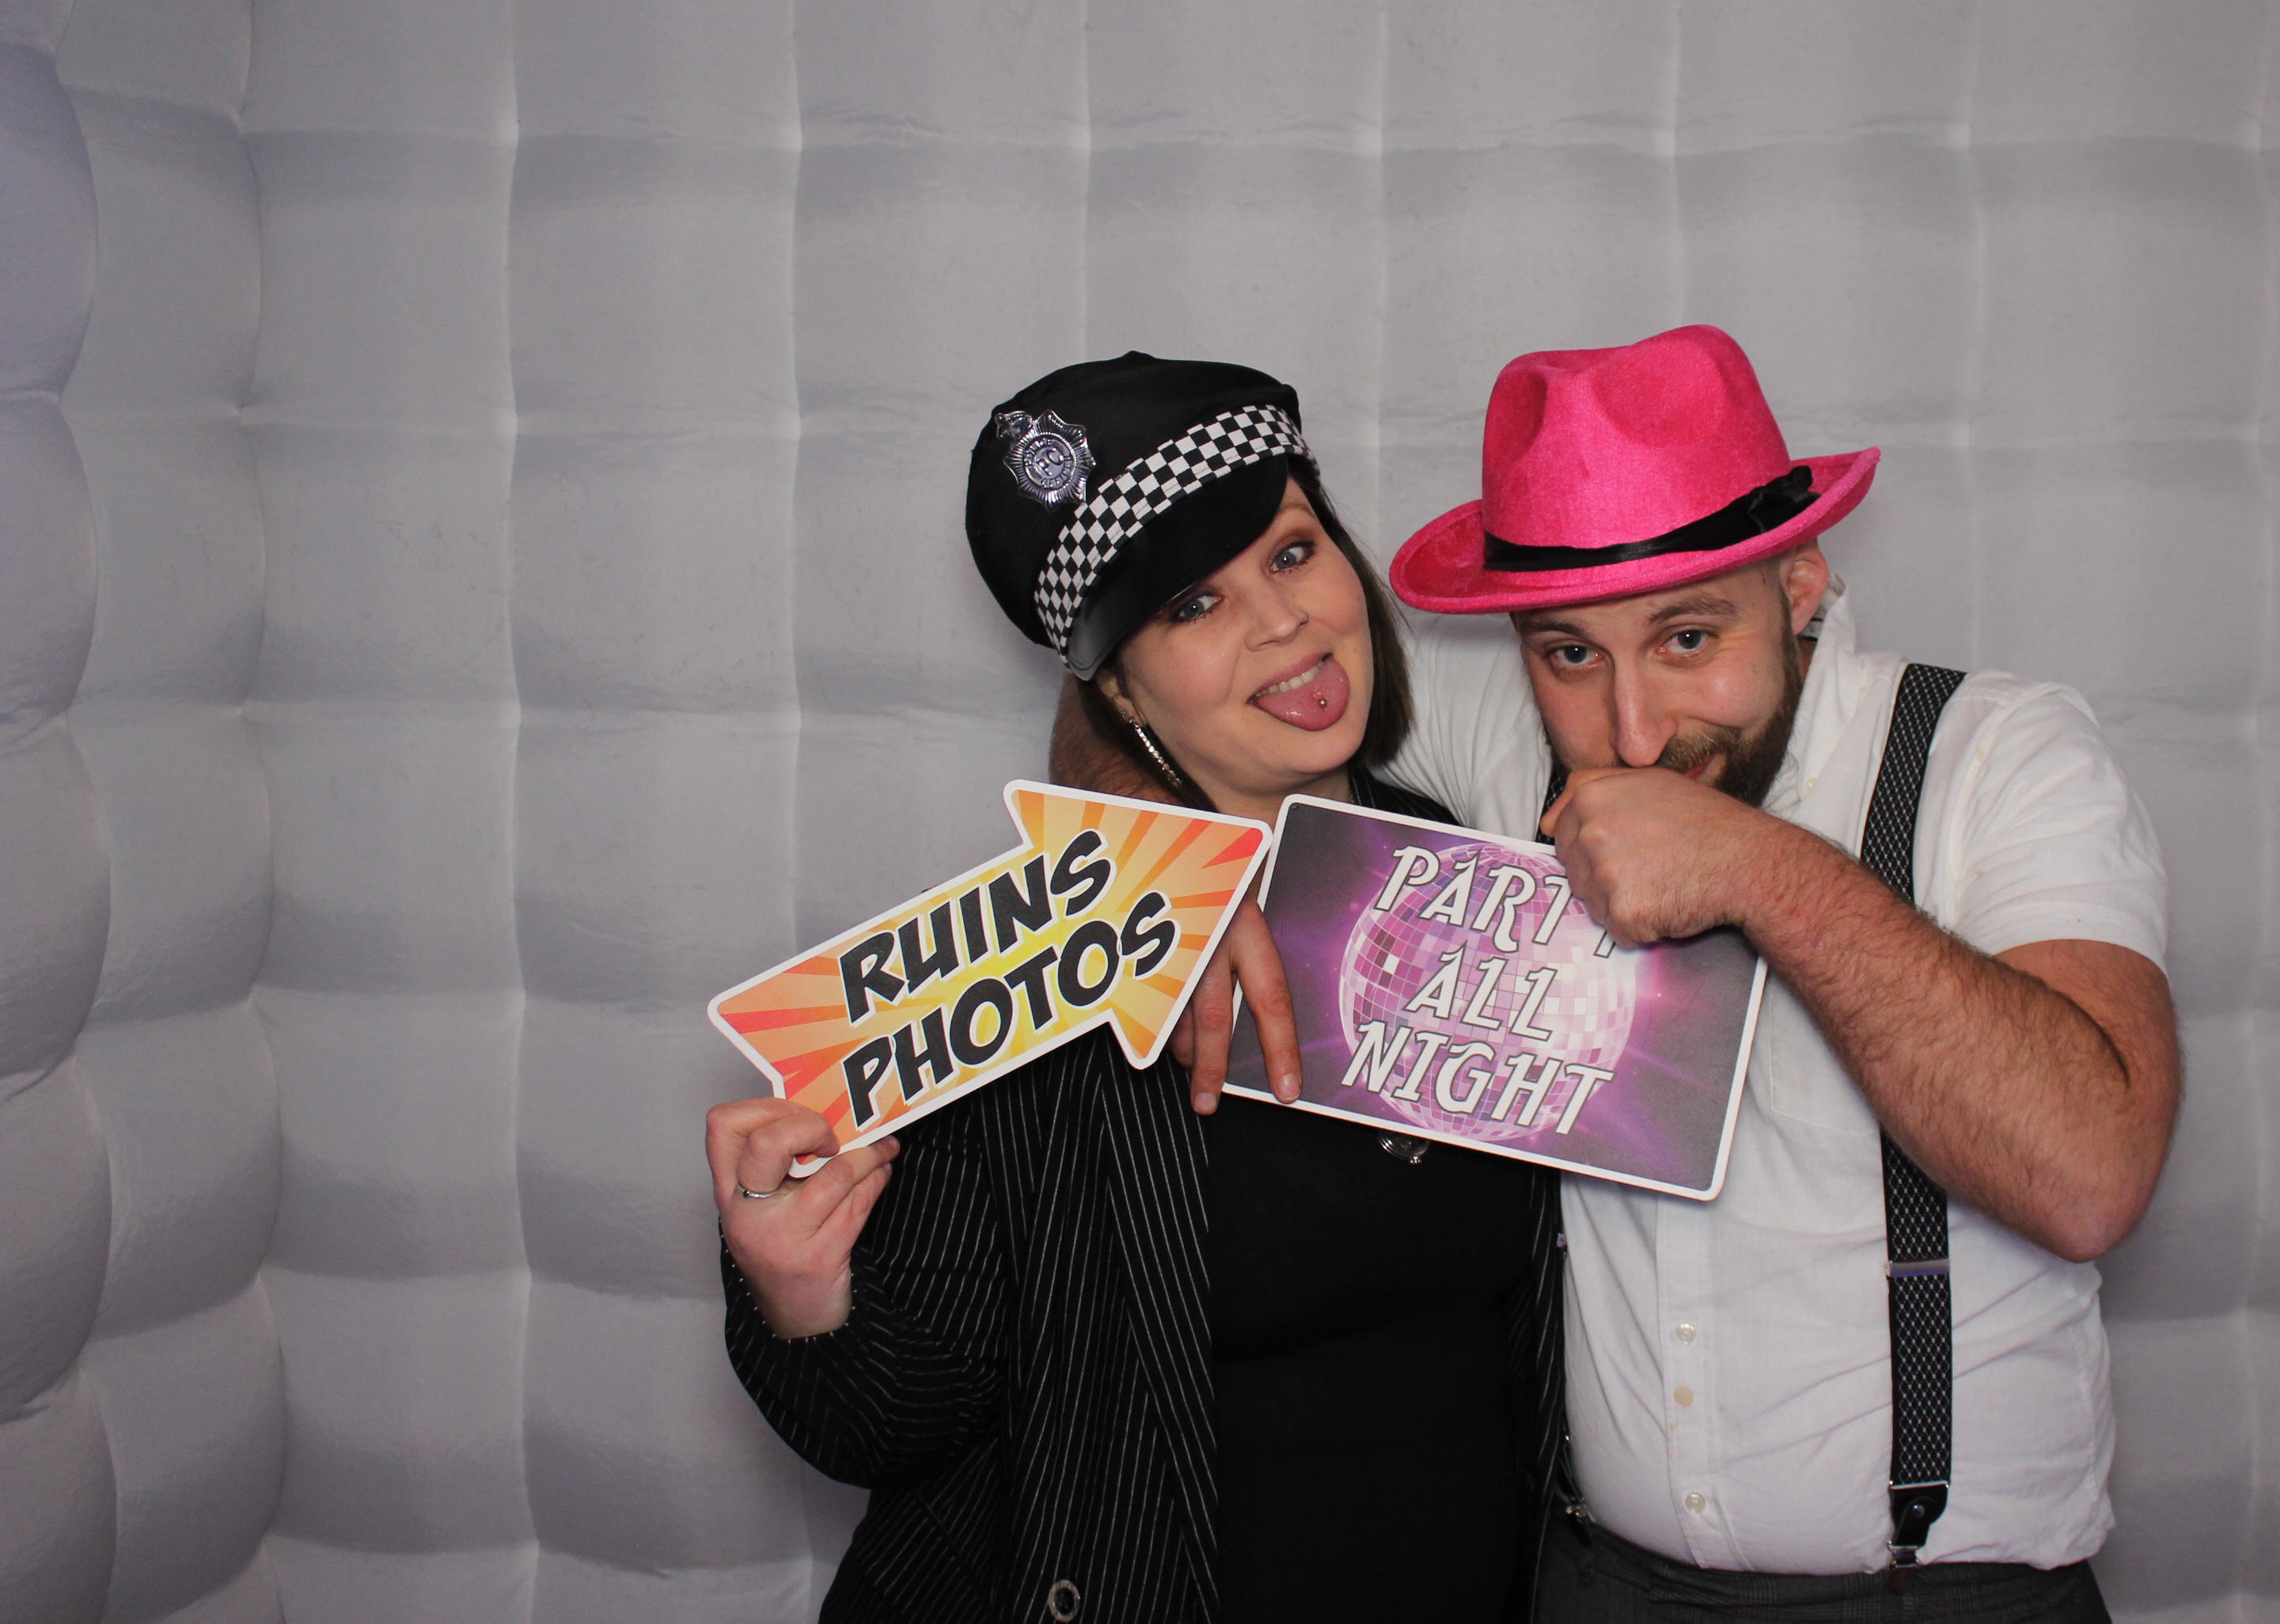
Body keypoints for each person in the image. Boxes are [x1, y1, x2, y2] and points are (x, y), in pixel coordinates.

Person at [1068, 325, 2178, 1622]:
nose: (1635, 733)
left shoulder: (1994, 758)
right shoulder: (1512, 733)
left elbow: (2091, 1177)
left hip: (1943, 1595)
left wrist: (1765, 871)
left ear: (1802, 581)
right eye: (1569, 653)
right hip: (1589, 1584)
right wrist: (1165, 869)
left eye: (1688, 638)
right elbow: (1162, 695)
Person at [704, 353, 1563, 1624]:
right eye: (1191, 606)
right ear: (1117, 686)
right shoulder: (1029, 967)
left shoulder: (1488, 879)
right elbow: (896, 1422)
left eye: (1291, 553)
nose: (1281, 622)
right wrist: (803, 1294)